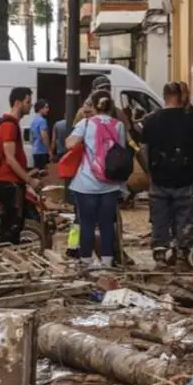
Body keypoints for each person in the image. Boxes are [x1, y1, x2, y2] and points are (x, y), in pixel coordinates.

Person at [141, 83, 193, 265]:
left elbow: (144, 149)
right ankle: (181, 253)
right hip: (186, 177)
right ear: (181, 96)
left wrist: (149, 173)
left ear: (164, 96)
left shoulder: (150, 120)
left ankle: (160, 253)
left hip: (159, 177)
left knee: (160, 217)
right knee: (185, 216)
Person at [66, 90, 126, 268]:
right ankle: (107, 261)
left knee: (87, 224)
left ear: (93, 105)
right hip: (110, 184)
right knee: (107, 224)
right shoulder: (119, 125)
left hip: (86, 183)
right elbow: (121, 151)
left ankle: (86, 260)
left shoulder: (85, 123)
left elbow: (70, 144)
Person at [0, 87, 37, 244]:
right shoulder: (9, 126)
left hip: (12, 180)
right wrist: (29, 180)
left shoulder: (12, 124)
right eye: (27, 102)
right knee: (12, 224)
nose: (30, 106)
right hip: (9, 181)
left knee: (15, 223)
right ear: (17, 103)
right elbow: (10, 158)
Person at [30, 99, 51, 171]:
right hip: (42, 151)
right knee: (43, 173)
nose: (48, 109)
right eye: (46, 107)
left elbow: (31, 137)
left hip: (35, 151)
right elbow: (44, 136)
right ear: (40, 108)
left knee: (37, 171)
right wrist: (49, 151)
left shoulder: (33, 121)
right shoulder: (42, 121)